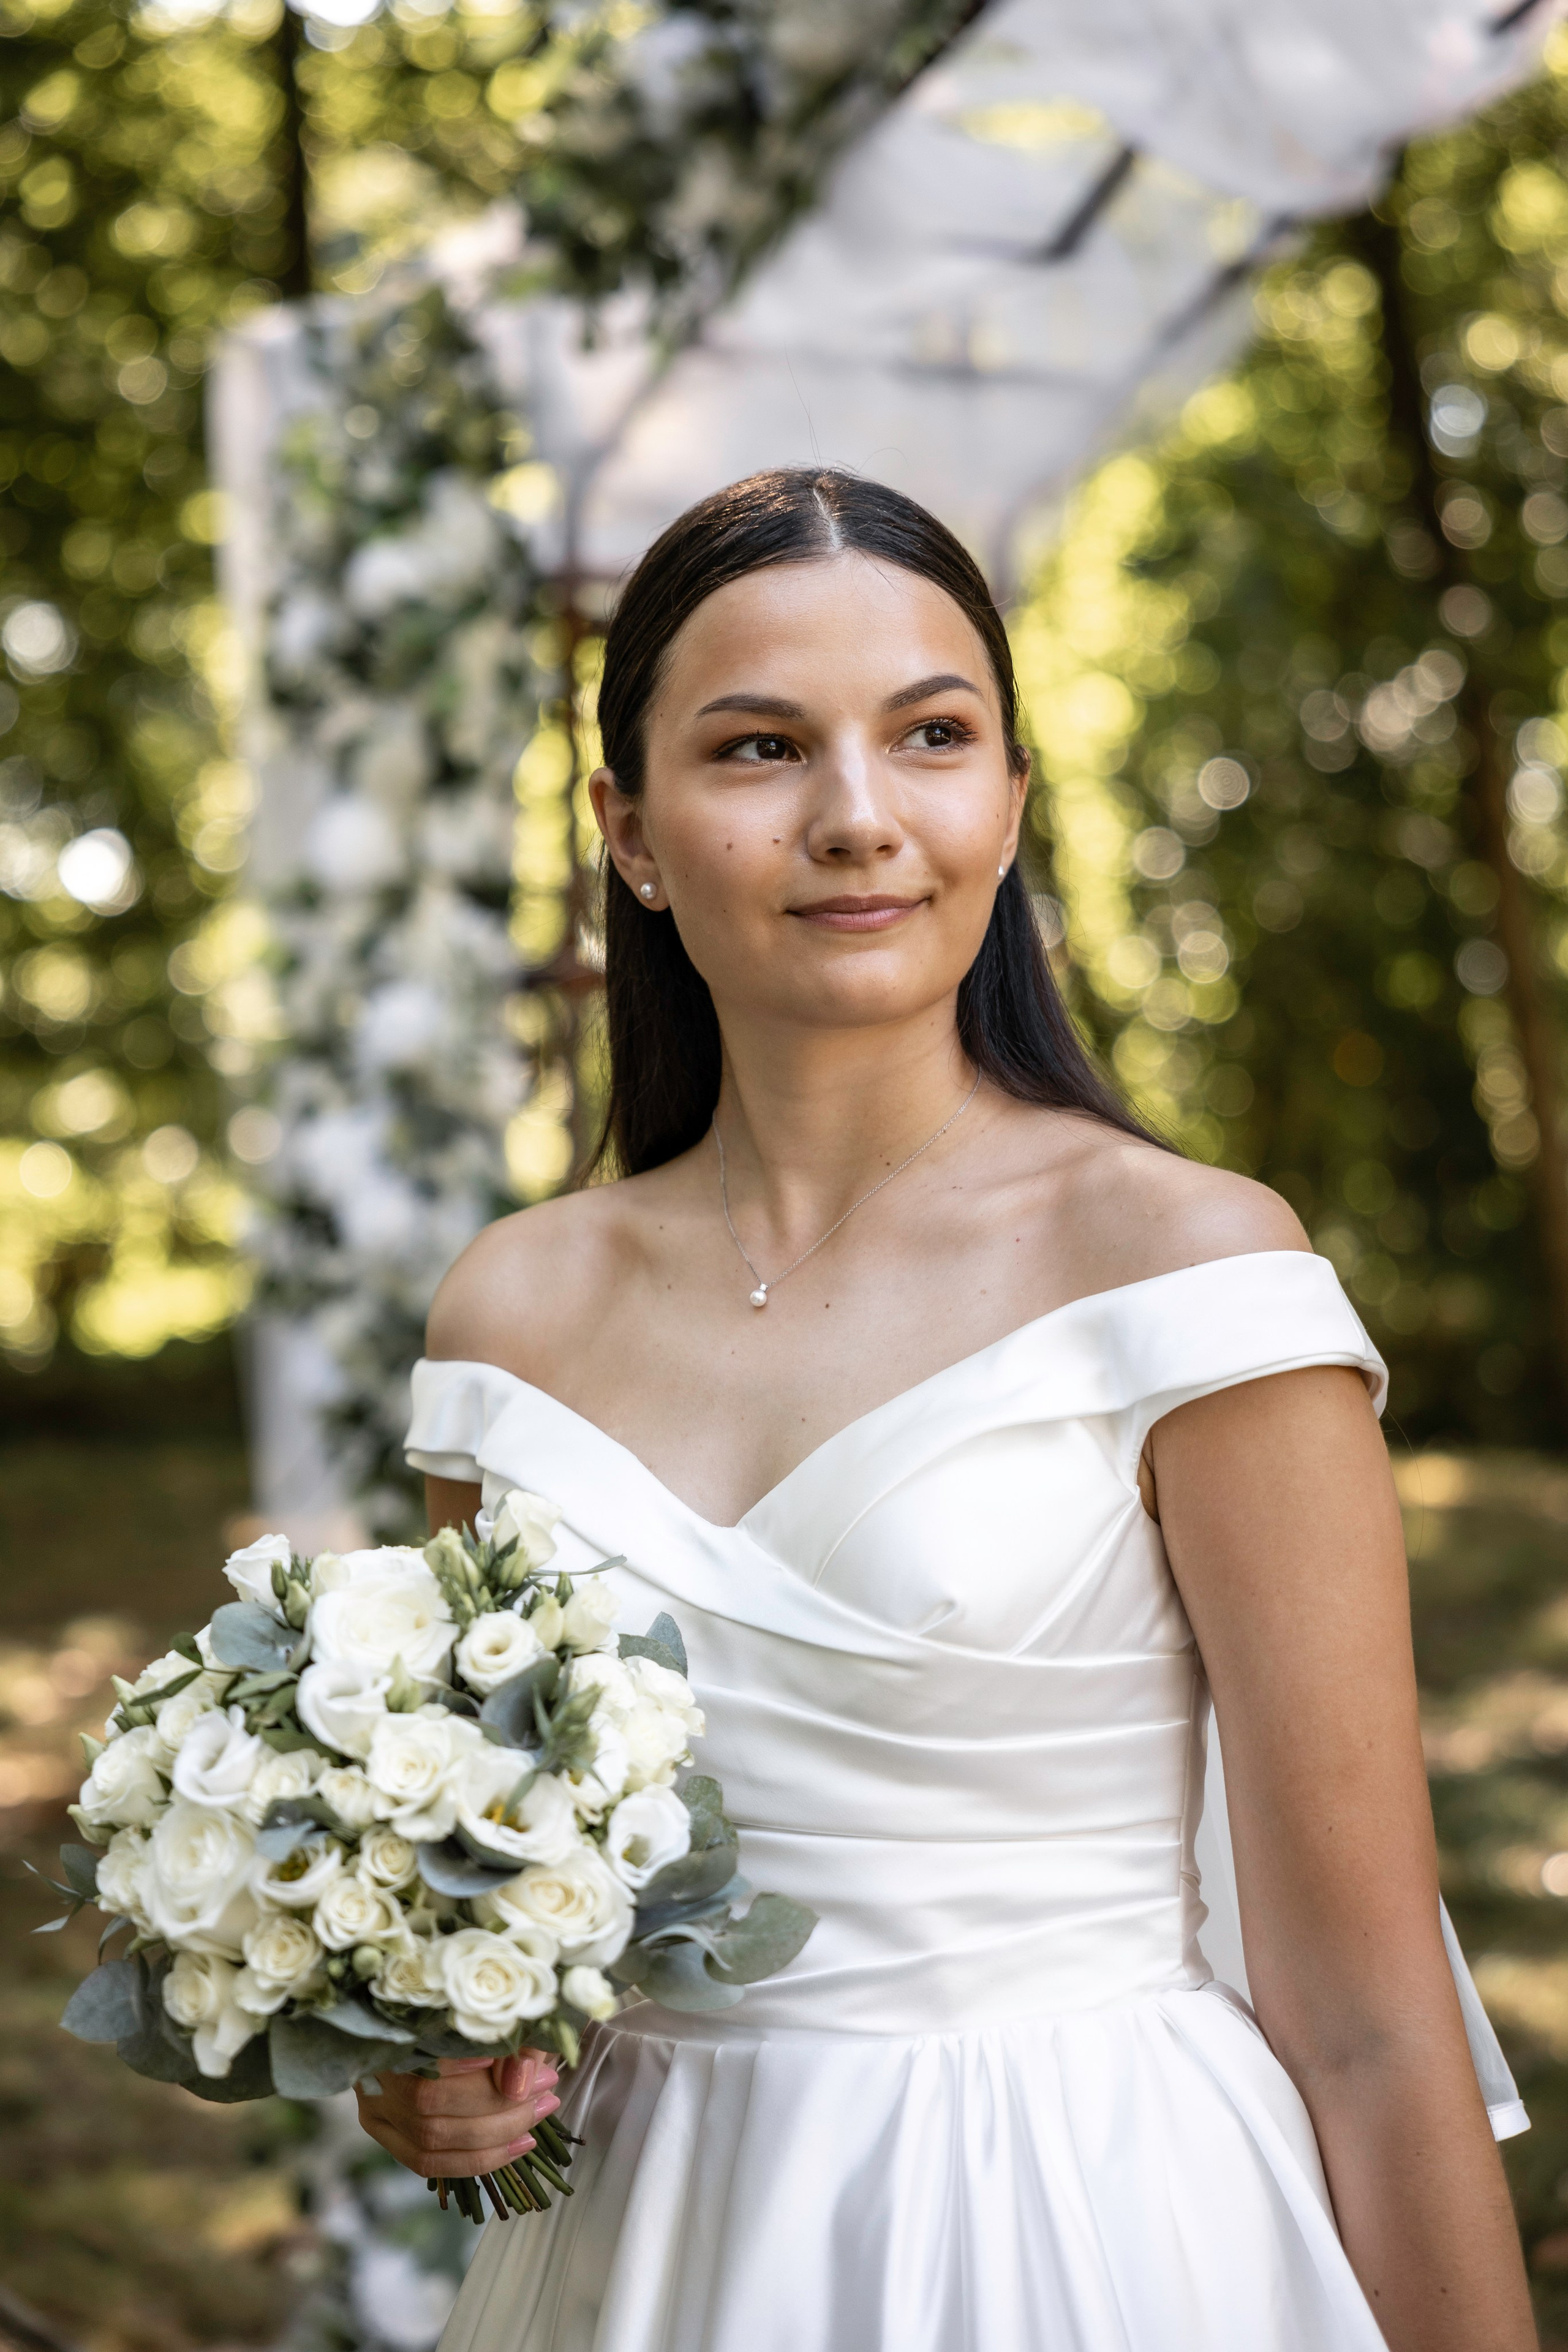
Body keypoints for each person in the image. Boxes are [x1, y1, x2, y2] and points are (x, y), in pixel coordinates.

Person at [356, 467, 1537, 2351]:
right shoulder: (516, 1315)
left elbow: (1377, 2018)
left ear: (1007, 800)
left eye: (931, 736)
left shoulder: (1184, 1275)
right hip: (647, 2265)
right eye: (758, 749)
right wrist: (440, 2077)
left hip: (1089, 2232)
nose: (857, 818)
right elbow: (533, 1943)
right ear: (632, 833)